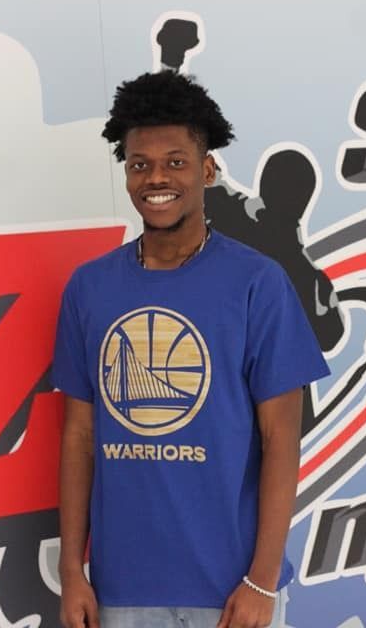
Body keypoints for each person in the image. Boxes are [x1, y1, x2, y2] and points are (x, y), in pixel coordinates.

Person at [53, 70, 330, 628]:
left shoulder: (258, 283)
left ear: (207, 169)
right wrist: (71, 571)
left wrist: (261, 581)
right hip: (120, 588)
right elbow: (80, 436)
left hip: (231, 591)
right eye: (140, 165)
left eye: (175, 161)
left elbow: (282, 440)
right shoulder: (89, 288)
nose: (156, 178)